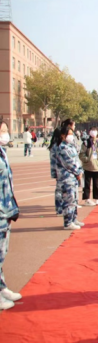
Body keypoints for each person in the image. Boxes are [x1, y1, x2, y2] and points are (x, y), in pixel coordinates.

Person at [0, 120, 22, 310]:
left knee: (2, 253)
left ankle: (2, 287)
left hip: (5, 211)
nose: (5, 134)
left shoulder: (2, 152)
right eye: (3, 131)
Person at [56, 124, 84, 230]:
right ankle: (68, 222)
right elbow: (69, 163)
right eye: (69, 134)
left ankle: (73, 219)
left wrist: (79, 171)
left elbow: (77, 159)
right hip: (66, 178)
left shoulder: (70, 146)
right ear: (63, 135)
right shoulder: (62, 148)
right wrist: (78, 172)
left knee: (74, 199)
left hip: (73, 177)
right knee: (69, 200)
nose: (71, 136)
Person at [79, 127, 98, 206]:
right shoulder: (86, 143)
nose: (93, 132)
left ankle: (97, 199)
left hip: (97, 167)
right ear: (89, 132)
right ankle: (87, 199)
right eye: (92, 131)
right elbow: (81, 154)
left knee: (96, 184)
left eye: (95, 131)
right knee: (86, 184)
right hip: (87, 166)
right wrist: (87, 159)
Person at [48, 128, 63, 216]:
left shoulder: (54, 145)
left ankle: (59, 208)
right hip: (60, 170)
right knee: (59, 190)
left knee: (59, 190)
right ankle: (59, 208)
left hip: (56, 170)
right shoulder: (57, 146)